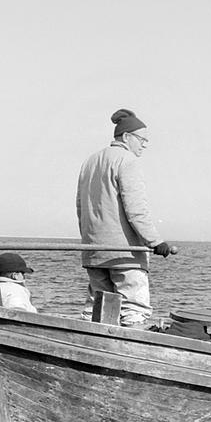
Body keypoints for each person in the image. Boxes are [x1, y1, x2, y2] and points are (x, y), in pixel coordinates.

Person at [76, 108, 173, 327]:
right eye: (142, 139)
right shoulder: (128, 161)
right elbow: (136, 209)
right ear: (127, 137)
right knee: (133, 309)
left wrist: (89, 240)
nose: (145, 144)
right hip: (125, 252)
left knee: (96, 309)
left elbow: (80, 207)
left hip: (93, 249)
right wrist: (155, 242)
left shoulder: (89, 162)